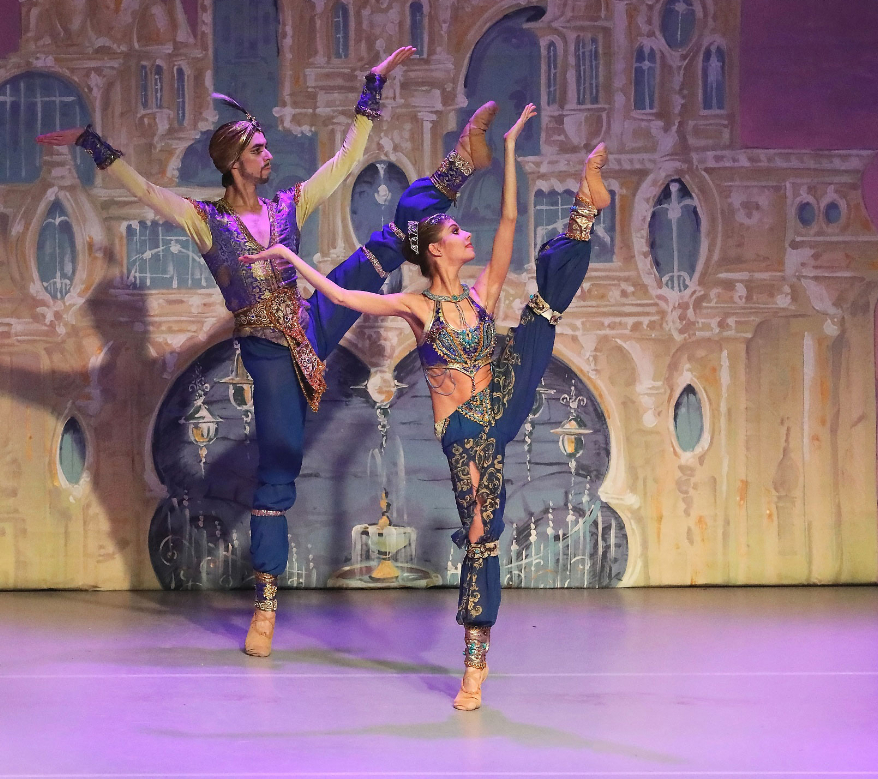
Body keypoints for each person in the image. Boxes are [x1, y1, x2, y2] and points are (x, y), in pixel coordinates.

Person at [35, 48, 502, 659]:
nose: (268, 156)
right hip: (267, 349)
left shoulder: (288, 206)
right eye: (258, 149)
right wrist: (93, 144)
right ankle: (266, 602)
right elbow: (147, 191)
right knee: (280, 462)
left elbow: (345, 161)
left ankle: (458, 165)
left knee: (393, 239)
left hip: (310, 319)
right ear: (235, 163)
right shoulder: (205, 221)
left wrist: (372, 88)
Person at [241, 104, 611, 709]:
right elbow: (342, 296)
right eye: (456, 232)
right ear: (436, 251)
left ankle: (585, 210)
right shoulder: (418, 308)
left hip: (500, 400)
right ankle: (474, 664)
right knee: (481, 533)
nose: (467, 235)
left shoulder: (482, 295)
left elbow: (510, 221)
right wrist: (288, 259)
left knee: (542, 313)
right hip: (463, 431)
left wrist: (511, 149)